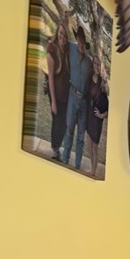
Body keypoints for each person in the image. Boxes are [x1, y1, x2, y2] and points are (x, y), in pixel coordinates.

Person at [58, 24, 93, 169]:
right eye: (78, 40)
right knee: (69, 130)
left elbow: (93, 81)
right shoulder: (71, 48)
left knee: (80, 137)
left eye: (82, 42)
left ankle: (77, 165)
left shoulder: (89, 62)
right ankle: (65, 160)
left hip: (84, 102)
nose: (80, 44)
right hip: (72, 97)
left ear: (85, 44)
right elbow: (60, 41)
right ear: (76, 40)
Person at [46, 24, 70, 159]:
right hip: (55, 92)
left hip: (66, 95)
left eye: (65, 35)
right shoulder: (52, 49)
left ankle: (57, 147)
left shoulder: (66, 51)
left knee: (64, 124)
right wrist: (53, 102)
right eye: (60, 33)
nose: (62, 36)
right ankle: (55, 149)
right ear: (57, 33)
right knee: (57, 122)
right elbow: (50, 78)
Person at [86, 66, 109, 177]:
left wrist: (100, 115)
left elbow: (108, 113)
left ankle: (93, 171)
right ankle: (92, 168)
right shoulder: (94, 90)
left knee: (94, 148)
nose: (103, 83)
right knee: (89, 147)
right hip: (90, 120)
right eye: (102, 81)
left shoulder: (104, 97)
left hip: (97, 124)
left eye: (104, 81)